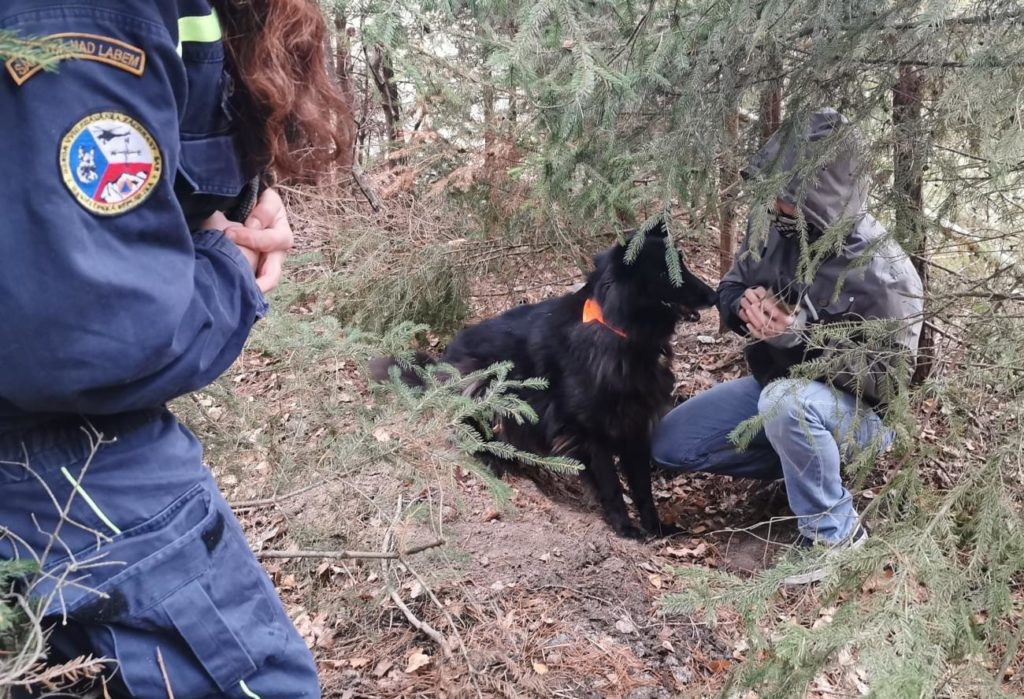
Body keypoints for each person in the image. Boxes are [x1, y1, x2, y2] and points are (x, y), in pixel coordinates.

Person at [0, 1, 350, 696]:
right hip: (58, 453)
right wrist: (229, 271)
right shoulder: (88, 11)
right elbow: (80, 335)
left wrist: (249, 195)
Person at [652, 108, 923, 585]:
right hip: (777, 388)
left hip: (862, 418)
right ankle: (806, 464)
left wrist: (801, 338)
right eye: (775, 189)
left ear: (825, 194)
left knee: (787, 404)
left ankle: (834, 535)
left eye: (789, 193)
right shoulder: (773, 228)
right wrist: (743, 309)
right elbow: (731, 287)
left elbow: (890, 385)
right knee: (671, 445)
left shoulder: (884, 275)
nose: (776, 201)